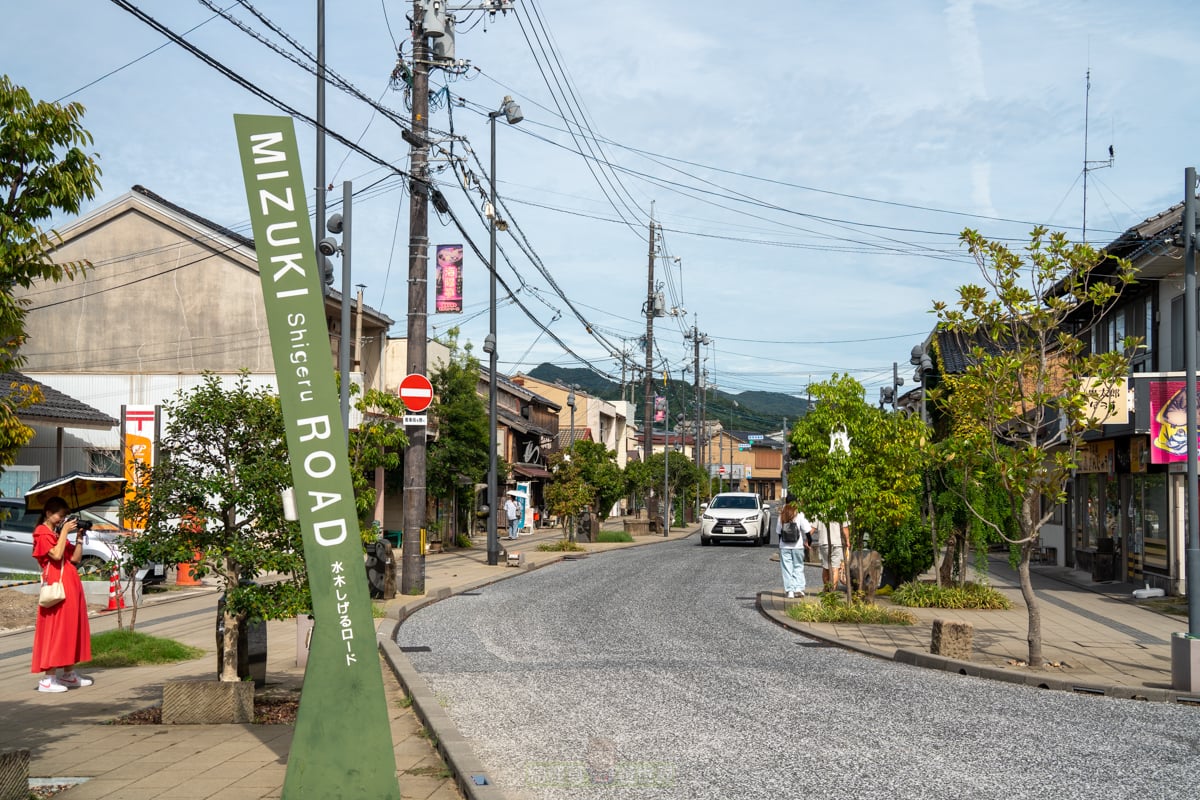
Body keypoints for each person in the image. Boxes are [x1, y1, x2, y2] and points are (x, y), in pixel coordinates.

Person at [31, 497, 93, 693]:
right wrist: (64, 531)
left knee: (70, 629)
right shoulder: (42, 532)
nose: (63, 519)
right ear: (48, 513)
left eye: (65, 516)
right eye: (60, 515)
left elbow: (74, 559)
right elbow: (56, 556)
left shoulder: (56, 534)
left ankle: (68, 674)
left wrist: (79, 538)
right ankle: (48, 679)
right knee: (55, 630)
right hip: (57, 588)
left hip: (70, 585)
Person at [774, 495, 812, 599]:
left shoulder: (782, 515)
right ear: (796, 502)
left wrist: (780, 544)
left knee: (787, 569)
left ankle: (790, 591)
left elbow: (778, 532)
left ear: (786, 502)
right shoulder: (799, 514)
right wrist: (809, 541)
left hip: (784, 546)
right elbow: (807, 530)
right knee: (798, 567)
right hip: (797, 546)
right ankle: (798, 589)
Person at [813, 518, 851, 591]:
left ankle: (826, 588)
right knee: (835, 568)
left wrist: (807, 539)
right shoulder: (842, 509)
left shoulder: (819, 510)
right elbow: (845, 527)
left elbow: (813, 527)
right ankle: (832, 591)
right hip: (837, 542)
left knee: (826, 567)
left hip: (824, 542)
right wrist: (848, 540)